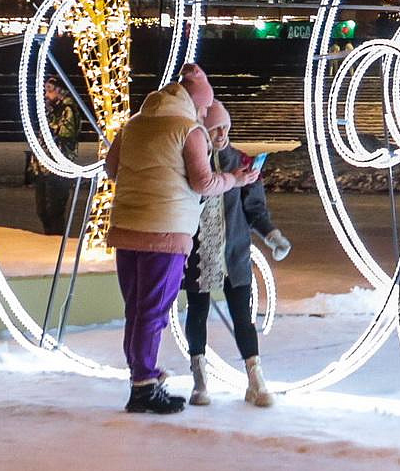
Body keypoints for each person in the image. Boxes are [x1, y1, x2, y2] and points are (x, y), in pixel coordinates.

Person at [102, 62, 254, 414]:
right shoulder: (190, 132)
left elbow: (112, 170)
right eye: (203, 107)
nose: (204, 113)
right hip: (166, 231)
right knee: (153, 311)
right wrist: (235, 179)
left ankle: (142, 378)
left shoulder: (133, 126)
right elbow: (204, 183)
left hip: (126, 228)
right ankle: (143, 388)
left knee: (136, 309)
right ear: (194, 103)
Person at [184, 113, 289, 408]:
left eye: (226, 127)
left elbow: (254, 209)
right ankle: (199, 378)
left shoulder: (242, 161)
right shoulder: (191, 162)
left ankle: (255, 379)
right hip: (200, 249)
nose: (221, 133)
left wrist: (271, 235)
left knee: (243, 314)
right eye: (215, 127)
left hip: (235, 251)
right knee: (198, 311)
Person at [31, 74, 86, 238]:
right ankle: (49, 239)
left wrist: (51, 124)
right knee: (42, 209)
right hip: (43, 166)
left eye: (50, 91)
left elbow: (66, 134)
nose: (46, 95)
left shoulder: (68, 110)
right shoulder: (51, 110)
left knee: (54, 210)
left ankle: (55, 242)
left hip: (58, 167)